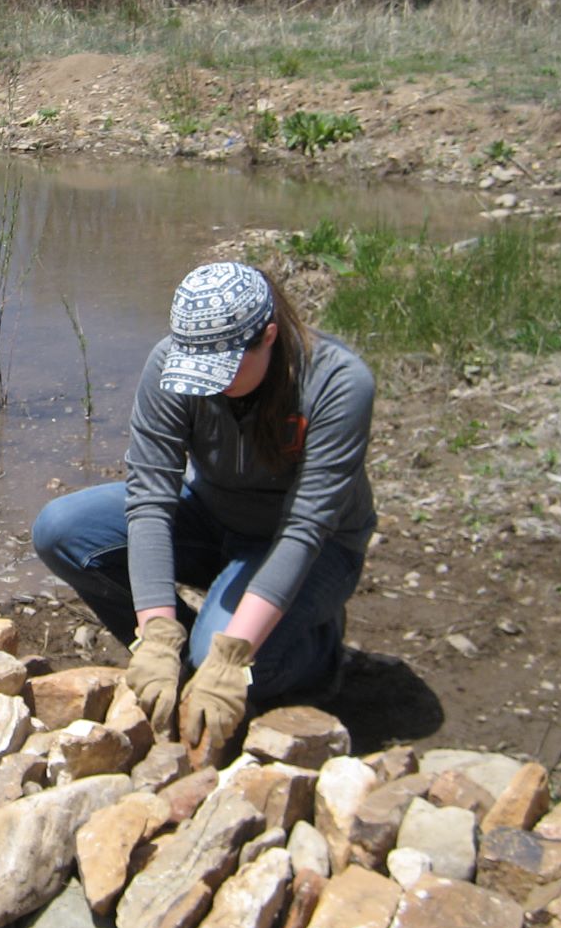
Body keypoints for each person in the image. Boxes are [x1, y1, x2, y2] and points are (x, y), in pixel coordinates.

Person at [32, 261, 375, 756]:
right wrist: (156, 634)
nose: (210, 386)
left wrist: (233, 656)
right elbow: (150, 499)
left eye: (225, 369)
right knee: (60, 529)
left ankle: (311, 651)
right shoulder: (168, 364)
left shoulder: (338, 383)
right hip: (213, 517)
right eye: (200, 374)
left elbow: (306, 529)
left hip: (314, 549)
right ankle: (192, 655)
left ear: (269, 336)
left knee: (238, 660)